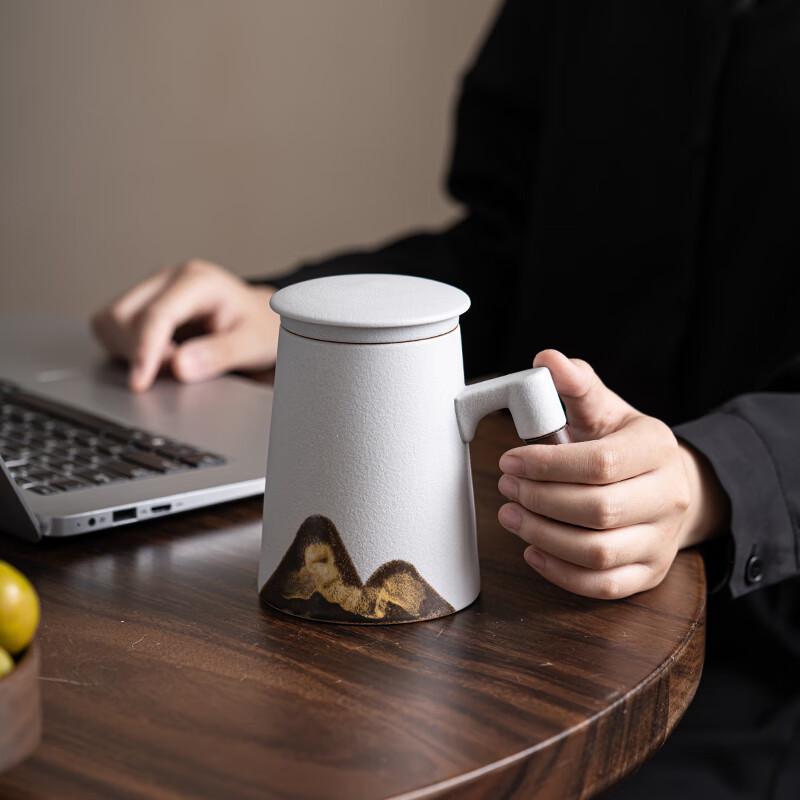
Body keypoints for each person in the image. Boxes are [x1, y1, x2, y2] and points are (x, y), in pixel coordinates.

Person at [92, 1, 799, 796]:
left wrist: (714, 476)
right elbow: (504, 246)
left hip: (765, 666)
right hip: (517, 614)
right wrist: (284, 307)